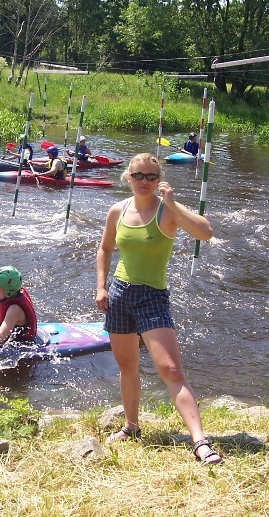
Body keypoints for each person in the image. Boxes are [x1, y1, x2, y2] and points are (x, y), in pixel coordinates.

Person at [95, 152, 222, 465]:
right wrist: (101, 286)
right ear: (128, 177)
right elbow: (105, 248)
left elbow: (206, 233)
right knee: (128, 367)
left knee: (171, 369)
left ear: (159, 179)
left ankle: (200, 442)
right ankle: (131, 427)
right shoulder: (117, 210)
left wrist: (174, 203)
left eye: (151, 177)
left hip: (152, 295)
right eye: (138, 175)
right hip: (120, 294)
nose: (144, 182)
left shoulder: (166, 211)